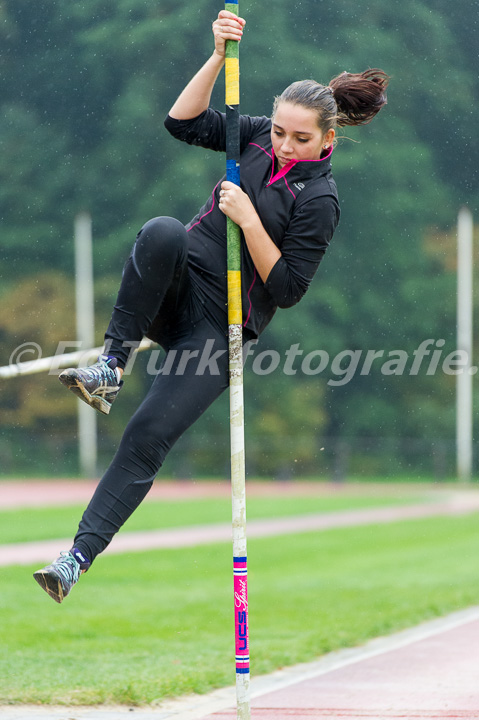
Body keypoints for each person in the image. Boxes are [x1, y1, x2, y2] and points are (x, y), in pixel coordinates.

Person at [33, 10, 389, 603]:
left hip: (222, 330)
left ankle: (75, 559)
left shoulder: (321, 198)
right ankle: (110, 369)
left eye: (301, 139)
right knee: (162, 231)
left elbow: (289, 289)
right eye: (279, 132)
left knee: (148, 435)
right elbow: (181, 121)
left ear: (328, 139)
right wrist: (219, 56)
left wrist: (249, 221)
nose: (284, 145)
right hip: (179, 284)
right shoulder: (249, 136)